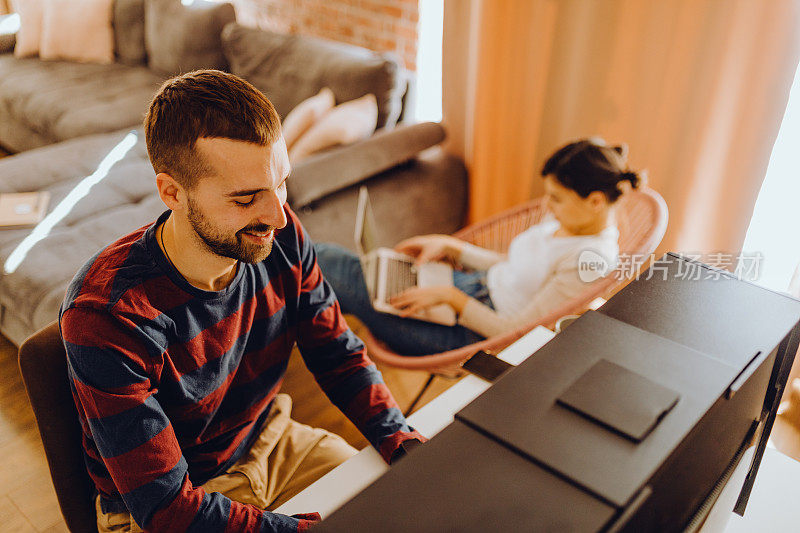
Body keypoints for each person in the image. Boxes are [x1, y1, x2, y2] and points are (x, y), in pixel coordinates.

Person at [59, 70, 425, 533]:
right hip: (169, 507)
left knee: (406, 510)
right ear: (172, 192)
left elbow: (338, 353)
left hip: (270, 441)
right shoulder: (107, 316)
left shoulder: (280, 231)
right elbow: (170, 511)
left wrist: (403, 440)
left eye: (281, 183)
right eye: (247, 198)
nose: (276, 215)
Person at [315, 138, 643, 355]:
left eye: (556, 198)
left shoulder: (589, 262)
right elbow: (511, 266)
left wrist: (451, 299)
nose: (547, 205)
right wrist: (451, 248)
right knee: (348, 273)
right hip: (470, 290)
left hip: (473, 336)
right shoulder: (570, 223)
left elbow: (517, 334)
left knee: (329, 267)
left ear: (596, 201)